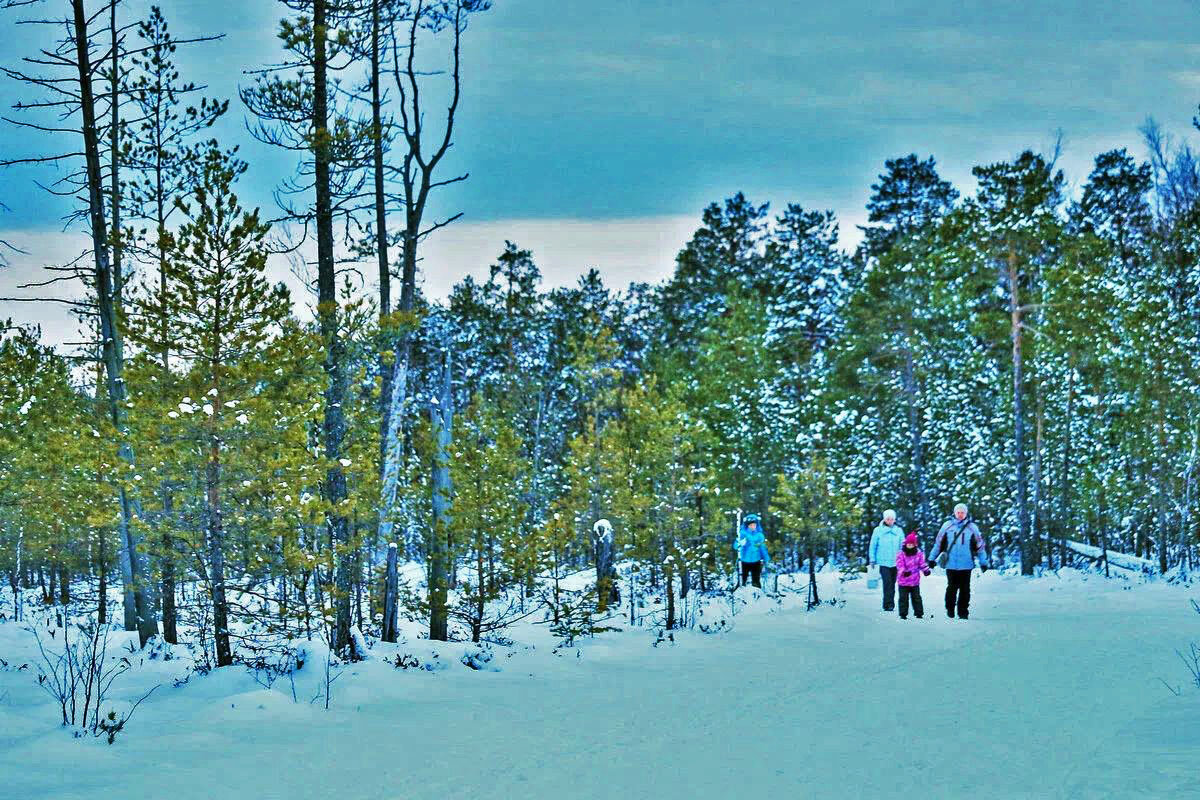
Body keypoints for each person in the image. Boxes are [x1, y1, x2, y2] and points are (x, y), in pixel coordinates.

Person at [928, 503, 989, 619]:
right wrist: (931, 558)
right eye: (958, 512)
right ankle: (950, 608)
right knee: (952, 587)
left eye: (963, 512)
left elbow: (980, 546)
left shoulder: (972, 528)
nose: (960, 515)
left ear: (966, 514)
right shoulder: (947, 526)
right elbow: (938, 544)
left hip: (966, 564)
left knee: (965, 589)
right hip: (951, 564)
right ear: (954, 513)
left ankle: (963, 612)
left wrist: (983, 562)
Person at [867, 510, 904, 611]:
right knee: (887, 583)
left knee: (892, 583)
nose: (890, 521)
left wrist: (904, 560)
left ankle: (890, 602)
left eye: (892, 519)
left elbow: (903, 546)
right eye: (888, 519)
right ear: (884, 519)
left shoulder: (899, 531)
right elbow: (873, 546)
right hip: (883, 562)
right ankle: (888, 604)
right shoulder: (878, 530)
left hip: (896, 563)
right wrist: (872, 559)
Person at [895, 532, 931, 619]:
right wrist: (904, 572)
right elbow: (899, 565)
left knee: (916, 598)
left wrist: (926, 570)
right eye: (908, 544)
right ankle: (903, 614)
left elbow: (922, 563)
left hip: (914, 581)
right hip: (903, 581)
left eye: (912, 544)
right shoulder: (901, 554)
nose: (910, 546)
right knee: (903, 598)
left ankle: (919, 613)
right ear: (906, 544)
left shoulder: (919, 553)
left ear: (915, 545)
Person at [735, 514, 769, 588]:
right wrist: (740, 543)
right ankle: (740, 593)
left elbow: (762, 548)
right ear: (747, 525)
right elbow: (735, 546)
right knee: (742, 579)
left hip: (756, 561)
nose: (752, 526)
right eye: (750, 525)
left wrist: (766, 558)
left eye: (754, 525)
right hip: (744, 561)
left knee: (756, 580)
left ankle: (758, 594)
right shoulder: (742, 534)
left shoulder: (759, 535)